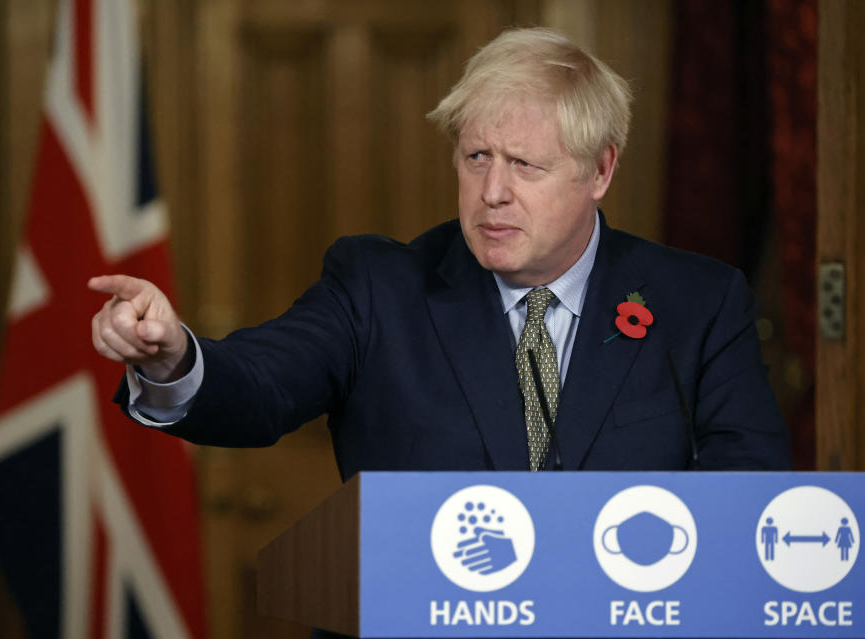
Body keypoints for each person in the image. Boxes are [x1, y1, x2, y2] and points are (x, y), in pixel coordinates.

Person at [91, 28, 789, 479]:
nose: (492, 192)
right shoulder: (379, 288)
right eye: (477, 156)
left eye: (524, 164)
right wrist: (172, 357)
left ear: (601, 170)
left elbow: (745, 489)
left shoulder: (697, 303)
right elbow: (261, 384)